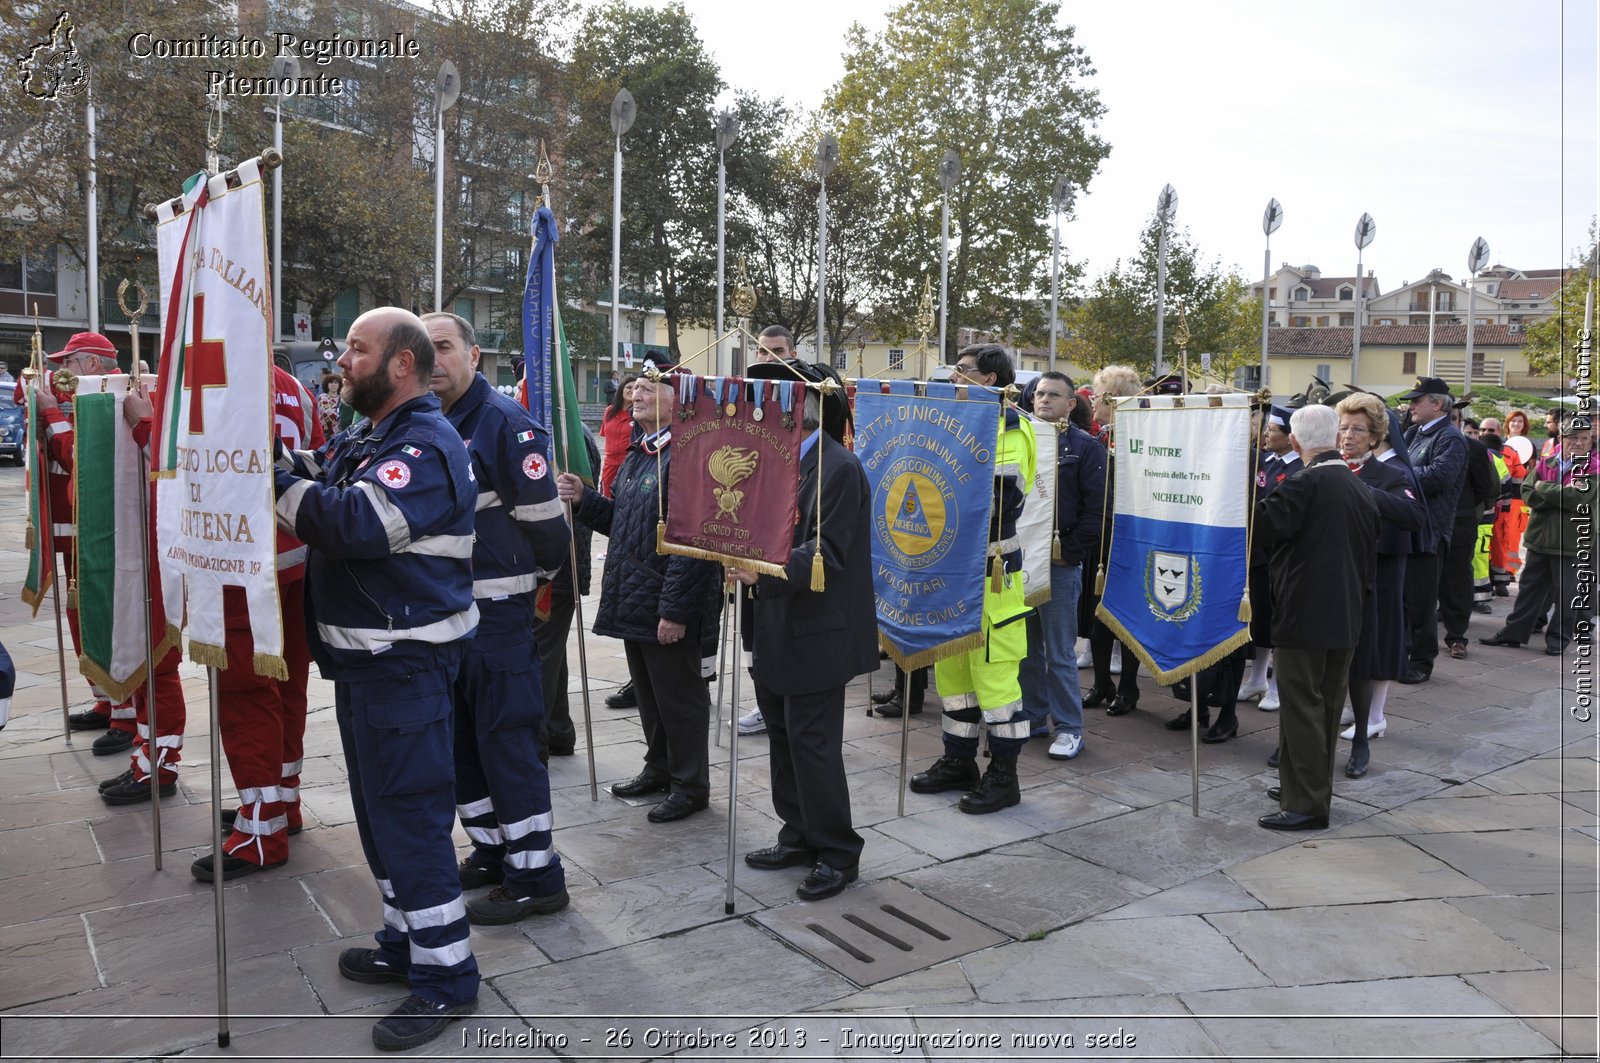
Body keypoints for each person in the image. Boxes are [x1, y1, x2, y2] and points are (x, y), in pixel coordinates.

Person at [274, 307, 479, 1052]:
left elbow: (356, 523)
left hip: (405, 669)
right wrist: (268, 458)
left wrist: (267, 482)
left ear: (400, 364)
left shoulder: (425, 444)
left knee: (412, 822)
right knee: (380, 818)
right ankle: (405, 942)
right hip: (367, 666)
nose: (342, 361)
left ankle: (448, 976)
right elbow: (320, 473)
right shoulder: (373, 434)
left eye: (357, 349)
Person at [423, 312, 571, 926]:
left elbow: (548, 534)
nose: (434, 361)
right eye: (421, 349)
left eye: (445, 347)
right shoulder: (426, 424)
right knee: (462, 745)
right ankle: (491, 848)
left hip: (498, 618)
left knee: (507, 743)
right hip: (448, 618)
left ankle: (536, 873)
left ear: (473, 355)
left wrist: (519, 586)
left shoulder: (505, 425)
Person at [731, 360, 875, 901]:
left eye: (775, 397)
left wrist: (760, 568)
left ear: (806, 407)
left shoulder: (838, 468)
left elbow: (828, 554)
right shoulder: (777, 459)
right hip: (773, 623)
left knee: (813, 746)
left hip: (816, 628)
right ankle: (798, 834)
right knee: (784, 739)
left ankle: (838, 852)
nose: (762, 408)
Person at [557, 355, 722, 823]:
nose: (636, 395)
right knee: (650, 695)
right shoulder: (642, 451)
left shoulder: (689, 456)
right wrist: (585, 500)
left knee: (680, 700)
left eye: (650, 390)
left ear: (680, 401)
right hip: (637, 595)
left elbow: (692, 543)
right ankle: (660, 767)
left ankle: (690, 785)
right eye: (636, 389)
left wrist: (674, 610)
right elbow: (626, 524)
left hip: (666, 601)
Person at [178, 365, 324, 877]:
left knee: (243, 691)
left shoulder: (204, 376)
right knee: (287, 683)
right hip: (296, 554)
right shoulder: (295, 388)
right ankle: (283, 802)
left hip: (238, 557)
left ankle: (261, 829)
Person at [909, 345, 1037, 814]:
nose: (953, 379)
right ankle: (958, 761)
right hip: (951, 568)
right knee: (953, 673)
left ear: (990, 378)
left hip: (992, 572)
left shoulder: (1009, 426)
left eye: (961, 372)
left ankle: (1004, 777)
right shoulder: (954, 422)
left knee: (995, 681)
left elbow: (999, 499)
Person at [1255, 404, 1379, 831]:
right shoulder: (1354, 482)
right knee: (1322, 707)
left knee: (1302, 708)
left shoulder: (1305, 483)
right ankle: (1303, 787)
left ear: (1294, 442)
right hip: (1344, 615)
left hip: (1305, 615)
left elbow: (1261, 530)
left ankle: (1306, 803)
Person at [33, 333, 138, 754]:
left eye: (69, 363)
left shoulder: (111, 395)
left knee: (104, 616)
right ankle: (105, 697)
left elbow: (81, 454)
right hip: (79, 522)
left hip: (102, 528)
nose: (62, 372)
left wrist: (50, 416)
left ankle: (125, 709)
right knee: (82, 616)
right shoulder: (90, 393)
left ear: (93, 364)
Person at [1334, 394, 1425, 779]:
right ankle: (1303, 743)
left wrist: (1366, 494)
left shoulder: (1391, 475)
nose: (1348, 436)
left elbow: (1412, 516)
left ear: (1374, 438)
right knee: (1320, 666)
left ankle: (1361, 743)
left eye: (1358, 429)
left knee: (1361, 664)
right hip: (1328, 582)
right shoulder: (1327, 468)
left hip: (1369, 584)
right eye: (1343, 428)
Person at [1017, 371, 1105, 760]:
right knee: (1025, 648)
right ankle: (1034, 717)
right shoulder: (1019, 441)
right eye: (1038, 394)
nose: (1043, 400)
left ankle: (1070, 727)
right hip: (1021, 557)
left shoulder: (1085, 447)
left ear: (1071, 403)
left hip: (1058, 562)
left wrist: (1070, 553)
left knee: (1059, 650)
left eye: (1053, 395)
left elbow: (1096, 510)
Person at [1481, 412, 1596, 655]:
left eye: (1586, 438)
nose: (1580, 443)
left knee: (1567, 596)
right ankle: (1513, 632)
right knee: (1528, 590)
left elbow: (1577, 498)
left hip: (1571, 542)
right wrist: (1554, 493)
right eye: (1574, 437)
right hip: (1538, 540)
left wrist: (1544, 488)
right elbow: (1527, 492)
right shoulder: (1548, 463)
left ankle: (1557, 639)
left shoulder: (1592, 468)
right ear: (1562, 438)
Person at [1396, 377, 1468, 684]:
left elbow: (1440, 477)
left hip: (1430, 530)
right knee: (1403, 598)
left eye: (1417, 400)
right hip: (1408, 525)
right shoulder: (1414, 432)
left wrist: (1398, 474)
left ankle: (1422, 661)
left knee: (1422, 601)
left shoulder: (1451, 438)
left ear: (1437, 404)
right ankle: (1402, 655)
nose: (1411, 405)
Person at [1082, 364, 1141, 716]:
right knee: (1098, 613)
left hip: (1128, 536)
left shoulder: (1139, 437)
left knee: (1125, 615)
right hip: (1100, 535)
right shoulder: (1102, 437)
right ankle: (1102, 682)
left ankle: (1129, 687)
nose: (1092, 401)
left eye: (1099, 395)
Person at [1239, 406, 1300, 714]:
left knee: (1278, 620)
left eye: (1273, 429)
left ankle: (1276, 686)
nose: (1265, 433)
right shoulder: (1264, 459)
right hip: (1259, 553)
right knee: (1261, 618)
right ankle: (1257, 678)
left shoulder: (1298, 468)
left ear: (1291, 437)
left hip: (1280, 554)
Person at [598, 374, 638, 497]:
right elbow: (604, 434)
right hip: (609, 465)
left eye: (636, 388)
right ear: (621, 389)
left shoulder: (639, 413)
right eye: (628, 387)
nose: (631, 391)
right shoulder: (609, 411)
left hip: (629, 465)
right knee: (607, 499)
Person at [318, 375, 344, 441]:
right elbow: (326, 412)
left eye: (335, 383)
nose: (333, 385)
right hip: (326, 433)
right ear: (327, 385)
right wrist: (341, 419)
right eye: (331, 383)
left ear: (339, 385)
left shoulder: (342, 398)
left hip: (340, 433)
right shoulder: (323, 397)